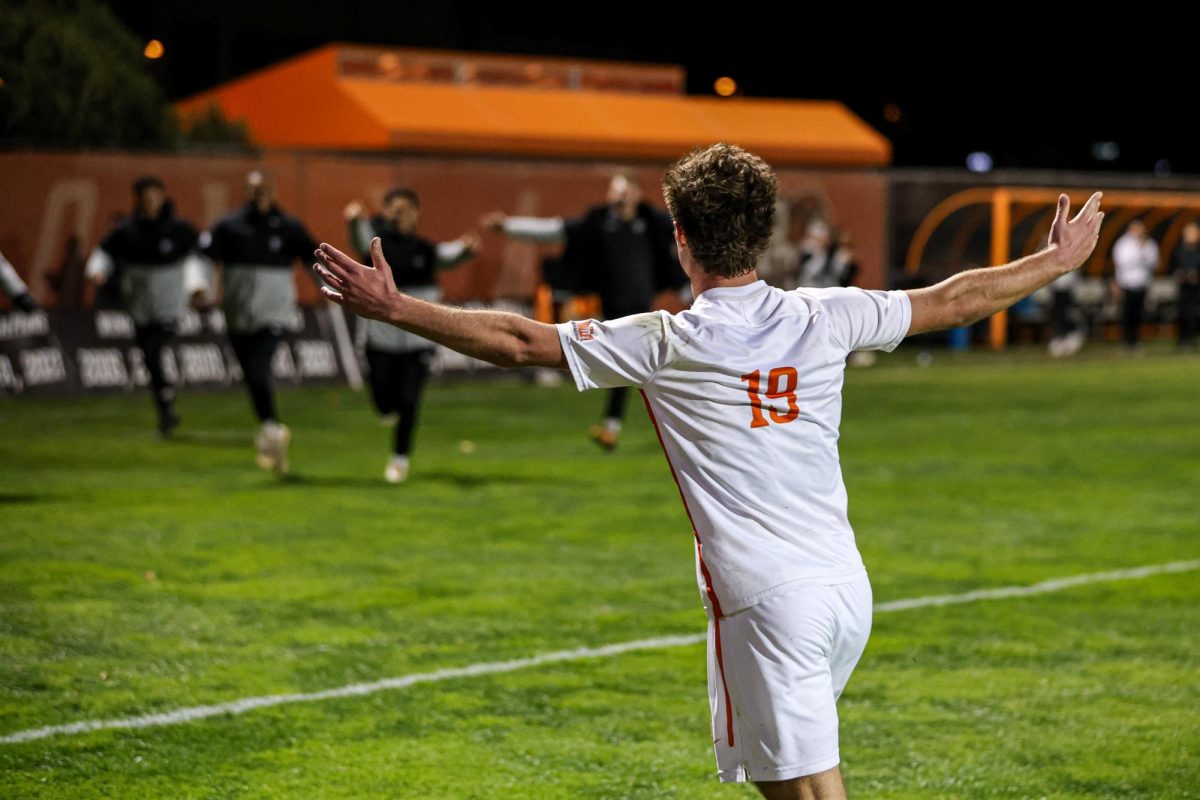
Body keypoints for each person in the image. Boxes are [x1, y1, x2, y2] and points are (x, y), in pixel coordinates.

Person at [313, 143, 1104, 799]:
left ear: (681, 239)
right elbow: (955, 299)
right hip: (843, 590)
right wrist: (1053, 261)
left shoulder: (671, 339)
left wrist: (399, 309)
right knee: (781, 781)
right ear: (761, 238)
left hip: (769, 605)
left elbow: (524, 341)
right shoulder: (824, 313)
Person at [481, 170, 687, 451]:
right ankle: (621, 426)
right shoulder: (598, 222)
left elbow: (687, 235)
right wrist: (508, 227)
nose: (622, 196)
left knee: (633, 366)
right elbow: (555, 230)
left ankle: (617, 426)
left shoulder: (652, 222)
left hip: (643, 310)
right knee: (633, 367)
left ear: (638, 194)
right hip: (612, 308)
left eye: (627, 190)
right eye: (617, 190)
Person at [343, 188, 480, 483]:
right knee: (383, 403)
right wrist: (354, 222)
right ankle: (388, 416)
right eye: (394, 209)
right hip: (380, 338)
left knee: (409, 400)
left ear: (417, 213)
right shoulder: (378, 248)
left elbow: (447, 256)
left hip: (418, 340)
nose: (400, 215)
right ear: (386, 212)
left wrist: (465, 249)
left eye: (406, 209)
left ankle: (399, 459)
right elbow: (359, 238)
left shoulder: (424, 250)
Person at [197, 170, 320, 475]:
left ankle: (270, 429)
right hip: (237, 314)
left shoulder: (289, 227)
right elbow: (204, 257)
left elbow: (313, 258)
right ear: (246, 192)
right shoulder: (229, 226)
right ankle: (270, 427)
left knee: (258, 367)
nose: (259, 195)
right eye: (253, 190)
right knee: (252, 374)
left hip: (275, 313)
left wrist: (328, 288)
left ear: (274, 190)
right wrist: (198, 286)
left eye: (264, 189)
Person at [86, 176, 200, 436]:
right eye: (145, 198)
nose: (150, 202)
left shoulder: (178, 229)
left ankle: (165, 401)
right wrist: (97, 272)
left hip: (170, 305)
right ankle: (165, 405)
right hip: (139, 306)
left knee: (153, 350)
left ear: (162, 197)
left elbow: (202, 253)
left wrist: (198, 285)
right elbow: (103, 253)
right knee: (150, 357)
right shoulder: (126, 231)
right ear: (138, 199)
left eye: (154, 196)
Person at [1112, 219, 1159, 349]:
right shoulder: (1123, 244)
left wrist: (1142, 250)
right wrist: (1139, 255)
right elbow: (1122, 262)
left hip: (1142, 283)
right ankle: (1126, 340)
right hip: (1127, 283)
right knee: (1127, 313)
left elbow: (1153, 262)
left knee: (1139, 313)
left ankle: (1136, 339)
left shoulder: (1149, 243)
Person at [1169, 221, 1200, 349]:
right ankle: (1182, 339)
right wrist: (1178, 274)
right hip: (1183, 287)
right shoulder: (1178, 250)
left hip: (1196, 288)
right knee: (1182, 312)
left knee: (1194, 313)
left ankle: (1191, 339)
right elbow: (1171, 267)